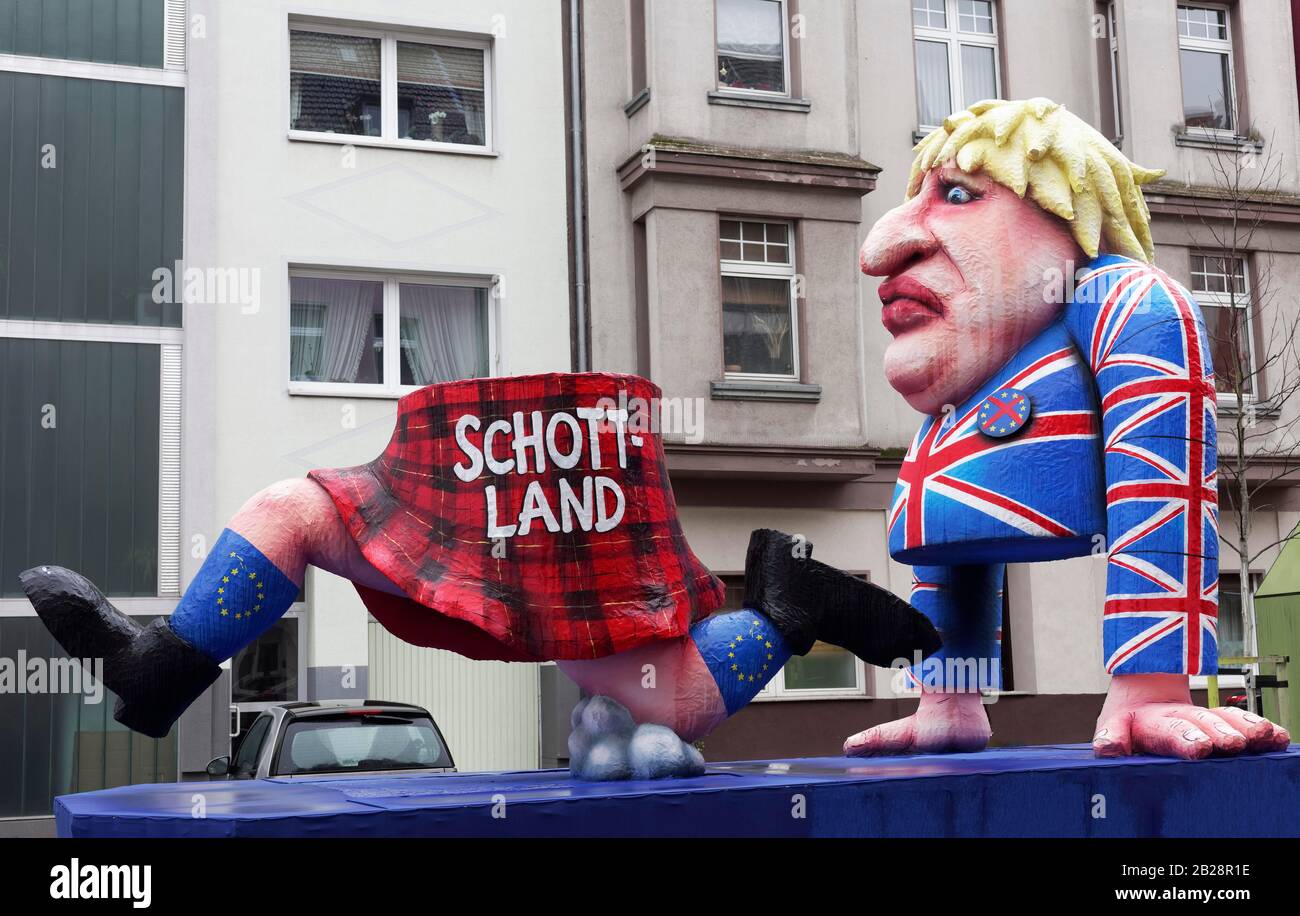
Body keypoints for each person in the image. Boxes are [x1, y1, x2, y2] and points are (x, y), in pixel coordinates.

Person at [22, 372, 937, 779]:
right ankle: (159, 667)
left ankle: (787, 604)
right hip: (479, 487)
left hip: (553, 511)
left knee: (672, 702)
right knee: (289, 508)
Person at [849, 98, 1289, 759]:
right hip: (983, 535)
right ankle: (947, 702)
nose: (881, 249)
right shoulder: (972, 383)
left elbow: (1165, 473)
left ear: (1065, 222)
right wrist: (944, 694)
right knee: (954, 549)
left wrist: (1153, 684)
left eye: (960, 195)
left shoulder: (1117, 303)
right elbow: (952, 553)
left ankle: (1145, 682)